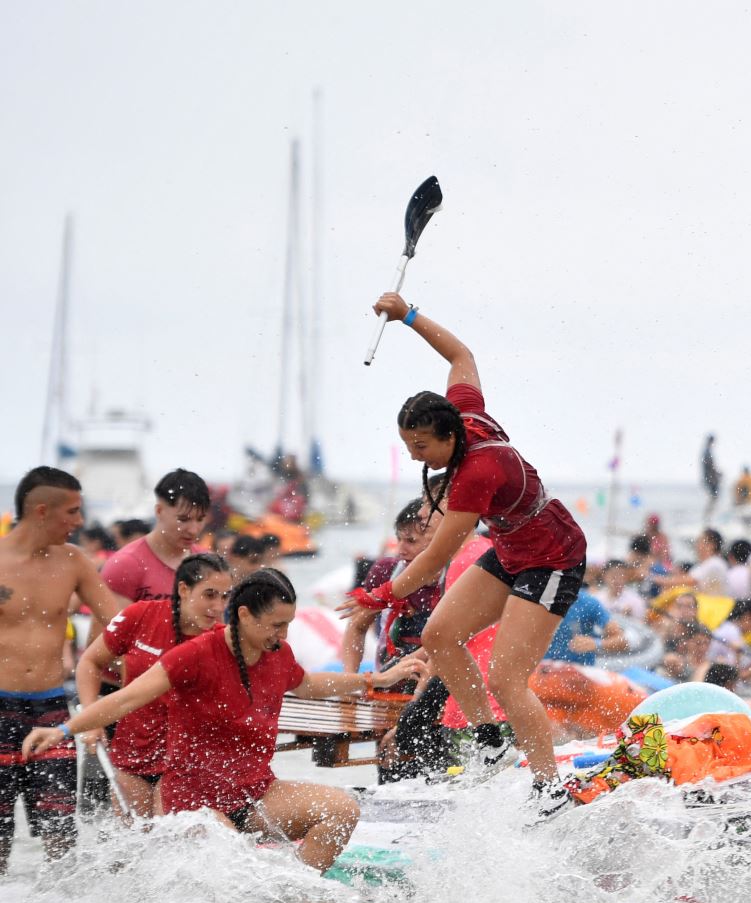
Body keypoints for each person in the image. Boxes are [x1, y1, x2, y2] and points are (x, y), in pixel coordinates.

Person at [340, 293, 588, 803]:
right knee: (440, 634)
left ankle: (549, 789)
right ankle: (490, 739)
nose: (416, 456)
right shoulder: (465, 413)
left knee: (506, 679)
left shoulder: (476, 474)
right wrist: (407, 315)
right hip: (515, 548)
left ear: (451, 436)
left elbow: (432, 559)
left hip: (554, 557)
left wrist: (379, 595)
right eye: (409, 445)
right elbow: (461, 356)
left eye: (423, 447)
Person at [26, 570, 422, 871]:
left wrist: (377, 678)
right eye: (277, 625)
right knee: (239, 867)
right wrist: (63, 729)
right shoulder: (194, 655)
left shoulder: (276, 654)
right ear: (245, 615)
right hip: (192, 804)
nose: (284, 635)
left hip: (255, 793)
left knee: (342, 810)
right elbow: (127, 698)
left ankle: (295, 897)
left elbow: (308, 684)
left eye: (288, 625)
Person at [0, 468, 120, 870]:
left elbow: (119, 624)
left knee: (61, 833)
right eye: (72, 511)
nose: (80, 522)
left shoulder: (74, 561)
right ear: (40, 511)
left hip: (51, 709)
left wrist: (96, 659)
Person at [77, 553, 231, 820]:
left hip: (185, 765)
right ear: (183, 589)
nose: (218, 606)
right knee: (133, 852)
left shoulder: (222, 641)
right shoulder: (140, 615)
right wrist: (91, 718)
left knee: (169, 849)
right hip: (131, 756)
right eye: (210, 595)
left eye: (225, 596)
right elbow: (90, 662)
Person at [341, 498, 443, 673]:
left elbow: (450, 640)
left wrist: (400, 668)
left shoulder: (457, 573)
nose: (401, 549)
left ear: (439, 541)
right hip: (389, 672)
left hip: (438, 678)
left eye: (411, 541)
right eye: (399, 539)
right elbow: (357, 627)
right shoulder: (385, 571)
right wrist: (350, 677)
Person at [100, 468, 211, 603]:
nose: (193, 530)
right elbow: (106, 624)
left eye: (200, 519)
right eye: (183, 519)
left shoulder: (209, 564)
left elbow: (219, 623)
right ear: (159, 511)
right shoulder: (125, 566)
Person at [545, 583, 628, 667]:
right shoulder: (537, 600)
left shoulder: (588, 603)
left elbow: (622, 640)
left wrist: (596, 643)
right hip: (541, 670)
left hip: (578, 671)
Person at [690, 529, 730, 596]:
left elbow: (691, 581)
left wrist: (666, 581)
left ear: (712, 545)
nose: (696, 544)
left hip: (714, 605)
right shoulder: (701, 565)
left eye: (700, 541)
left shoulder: (716, 563)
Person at [700, 433, 723, 521]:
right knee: (714, 498)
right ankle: (707, 518)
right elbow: (710, 466)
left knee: (713, 498)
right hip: (710, 479)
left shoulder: (706, 451)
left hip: (710, 478)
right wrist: (717, 474)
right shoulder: (707, 452)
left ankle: (708, 517)